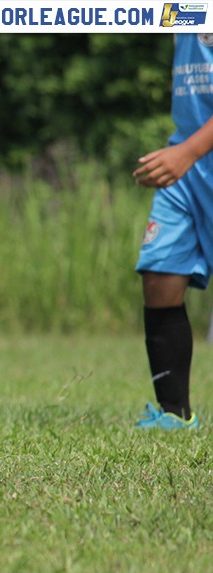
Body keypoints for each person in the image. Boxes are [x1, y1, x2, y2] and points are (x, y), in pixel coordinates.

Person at [130, 33, 213, 430]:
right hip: (186, 165)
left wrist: (190, 151)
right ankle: (175, 415)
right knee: (160, 275)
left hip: (190, 153)